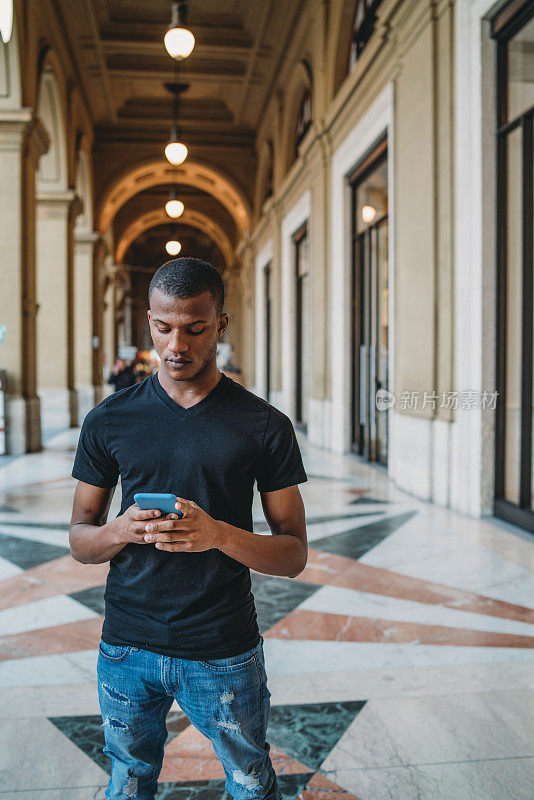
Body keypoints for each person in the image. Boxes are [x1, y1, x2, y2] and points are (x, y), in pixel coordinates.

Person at [69, 257, 308, 800]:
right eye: (162, 327)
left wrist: (219, 534)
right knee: (128, 783)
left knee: (250, 780)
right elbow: (81, 539)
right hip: (127, 645)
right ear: (148, 320)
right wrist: (122, 530)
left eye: (195, 328)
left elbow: (293, 555)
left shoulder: (263, 425)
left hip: (223, 645)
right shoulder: (109, 421)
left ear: (221, 324)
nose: (176, 345)